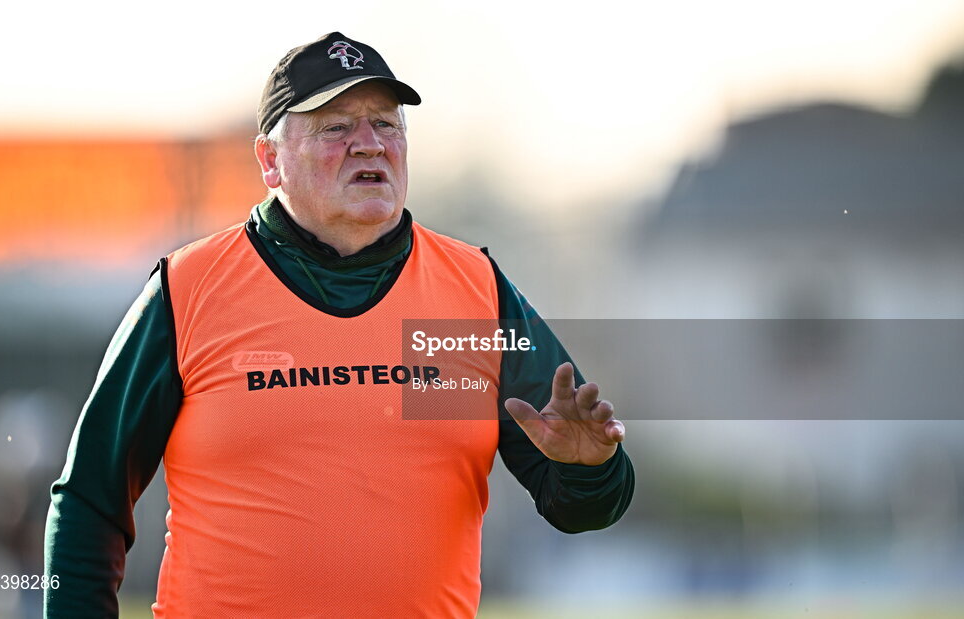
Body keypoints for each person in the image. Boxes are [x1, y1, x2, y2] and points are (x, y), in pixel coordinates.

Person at [44, 32, 634, 618]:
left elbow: (580, 506)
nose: (370, 145)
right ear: (270, 162)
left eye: (386, 123)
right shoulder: (190, 289)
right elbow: (90, 502)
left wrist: (591, 470)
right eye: (335, 127)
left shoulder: (473, 290)